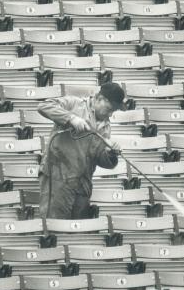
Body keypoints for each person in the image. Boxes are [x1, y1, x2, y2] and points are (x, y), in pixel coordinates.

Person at [38, 83, 125, 219]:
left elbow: (99, 158)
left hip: (82, 184)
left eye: (113, 111)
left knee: (78, 234)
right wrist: (71, 118)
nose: (110, 114)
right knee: (54, 227)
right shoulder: (74, 104)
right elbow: (44, 106)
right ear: (99, 98)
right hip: (57, 177)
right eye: (109, 109)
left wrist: (110, 153)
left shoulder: (106, 126)